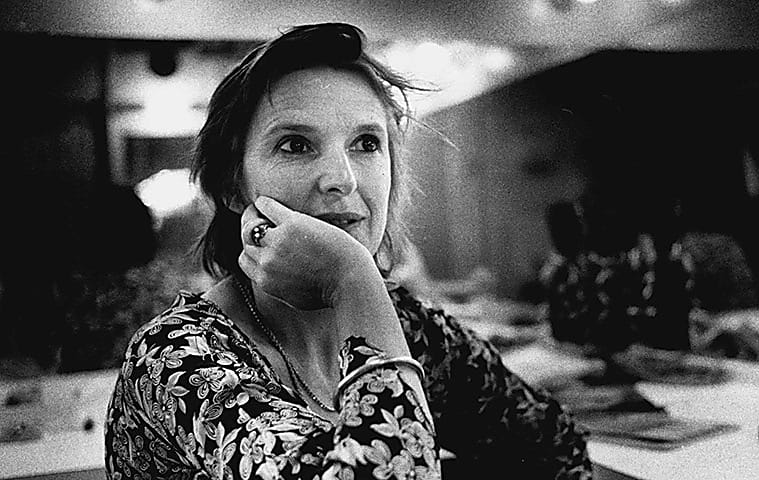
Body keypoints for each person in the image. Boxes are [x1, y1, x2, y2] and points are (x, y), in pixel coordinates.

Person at [104, 23, 591, 479]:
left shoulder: (416, 332)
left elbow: (556, 446)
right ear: (233, 186)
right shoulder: (179, 358)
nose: (343, 179)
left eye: (366, 143)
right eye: (295, 144)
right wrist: (353, 280)